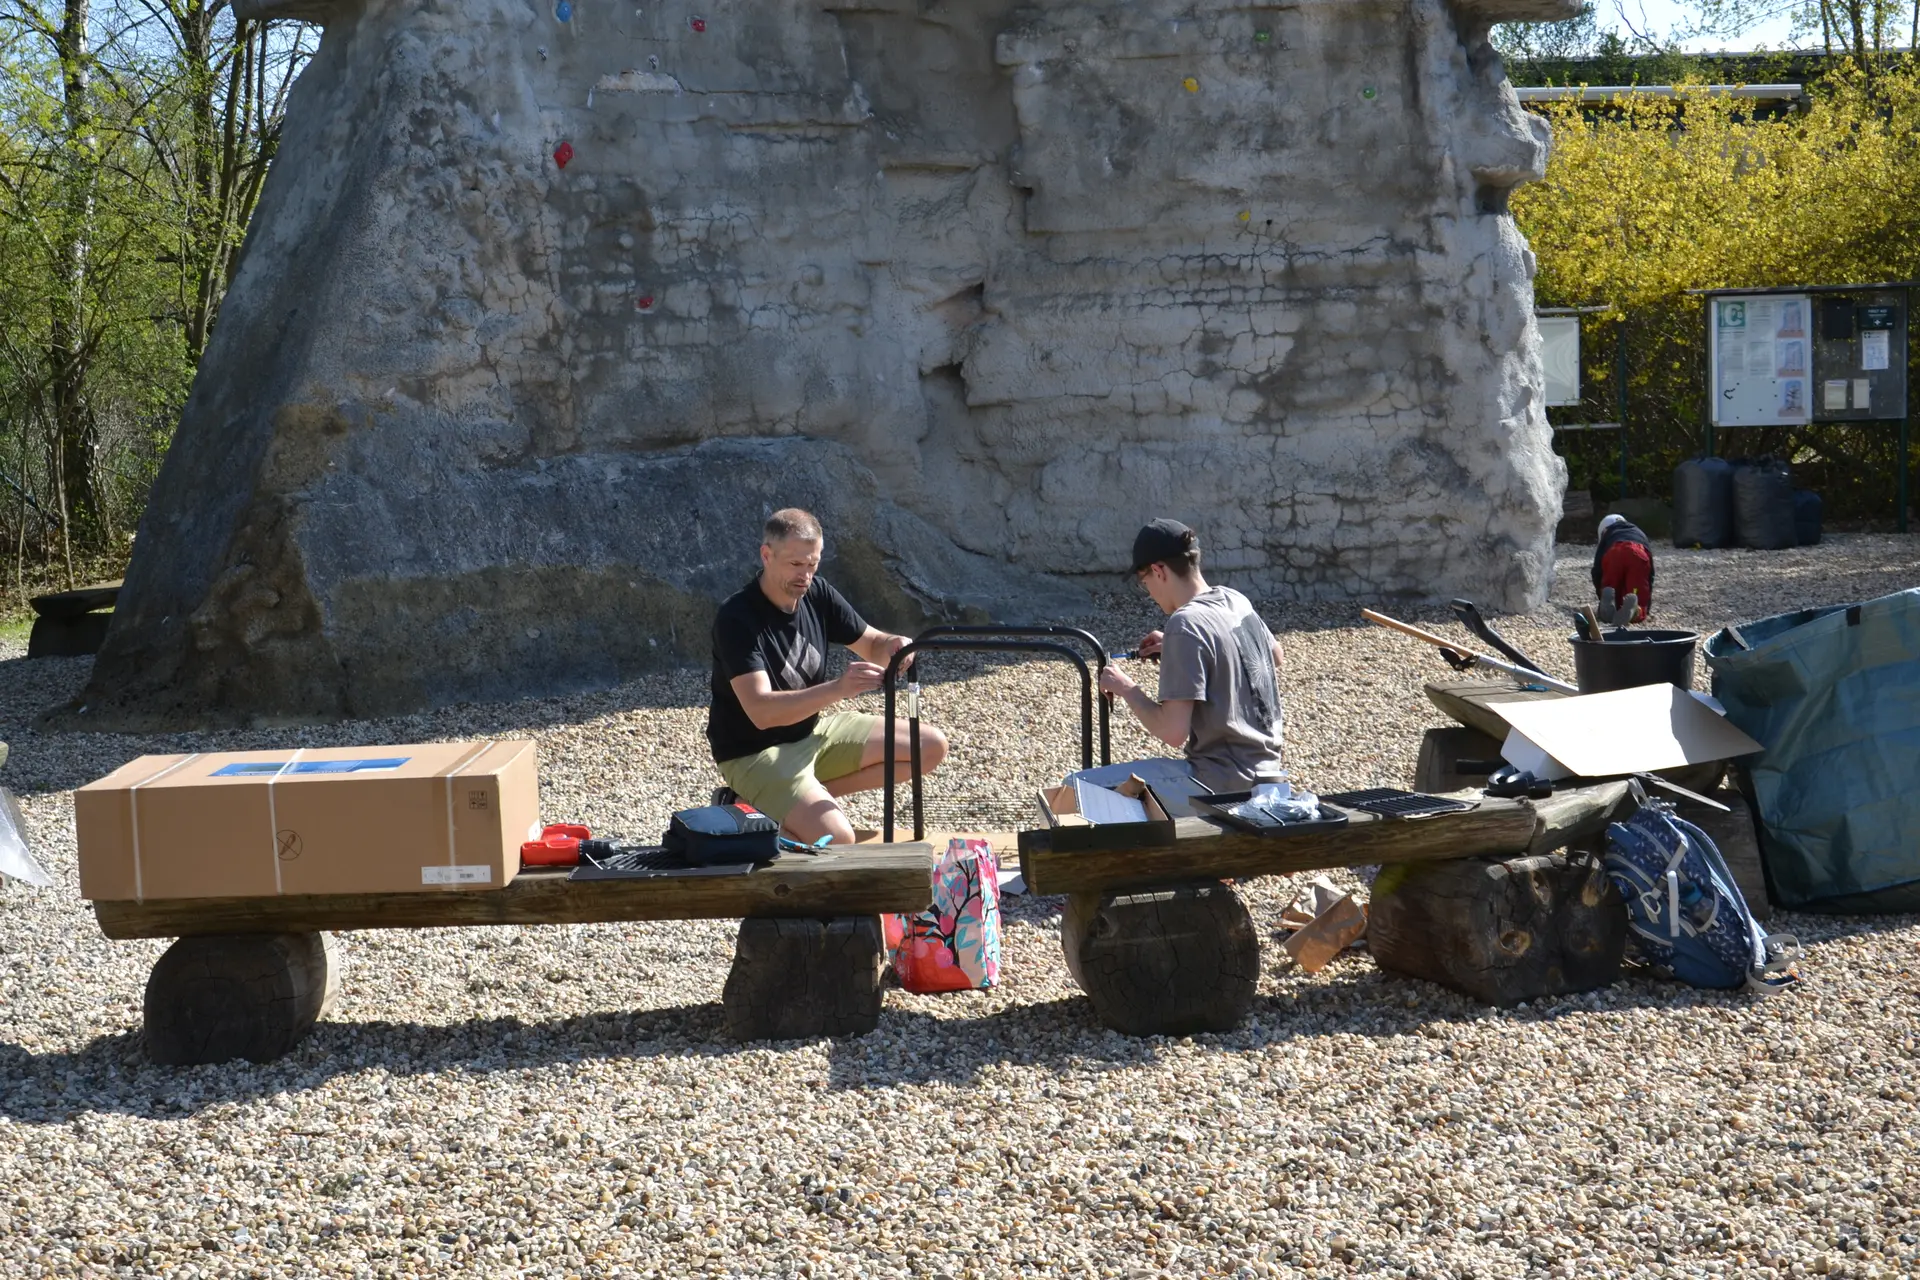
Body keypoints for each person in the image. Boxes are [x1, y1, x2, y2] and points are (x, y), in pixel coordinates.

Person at [706, 509, 948, 845]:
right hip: (754, 753)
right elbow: (762, 713)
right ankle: (746, 806)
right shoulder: (736, 618)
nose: (805, 575)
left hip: (812, 732)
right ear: (767, 555)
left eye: (812, 564)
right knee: (837, 841)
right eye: (795, 565)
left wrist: (896, 645)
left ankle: (786, 803)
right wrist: (838, 688)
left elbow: (872, 643)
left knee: (930, 746)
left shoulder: (817, 594)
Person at [1083, 519, 1287, 814]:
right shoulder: (1235, 600)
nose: (1150, 592)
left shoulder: (1185, 623)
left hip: (1219, 787)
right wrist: (1191, 653)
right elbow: (1275, 655)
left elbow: (1172, 731)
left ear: (1158, 570)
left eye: (1145, 583)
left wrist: (1126, 688)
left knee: (1077, 790)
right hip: (1269, 778)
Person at [1592, 512, 1654, 623]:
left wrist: (1600, 593)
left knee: (1612, 586)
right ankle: (1636, 610)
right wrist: (1647, 605)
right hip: (1638, 554)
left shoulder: (1608, 535)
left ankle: (1608, 603)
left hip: (1614, 552)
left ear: (1603, 531)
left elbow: (1597, 569)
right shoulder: (1639, 532)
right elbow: (1649, 573)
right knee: (1635, 592)